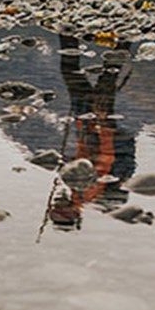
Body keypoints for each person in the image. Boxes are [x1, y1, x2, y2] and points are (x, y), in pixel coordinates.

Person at [48, 33, 137, 229]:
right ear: (72, 212)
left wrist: (67, 161)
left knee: (104, 77)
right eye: (58, 211)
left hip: (89, 125)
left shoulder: (79, 193)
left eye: (53, 209)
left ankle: (122, 39)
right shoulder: (86, 193)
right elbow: (105, 158)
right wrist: (102, 125)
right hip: (97, 126)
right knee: (81, 74)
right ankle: (71, 33)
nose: (55, 205)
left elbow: (85, 158)